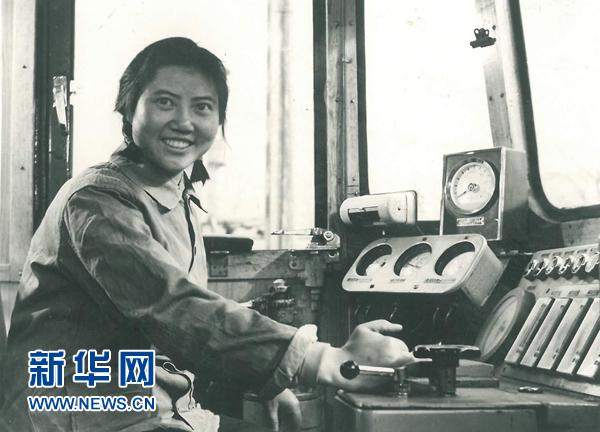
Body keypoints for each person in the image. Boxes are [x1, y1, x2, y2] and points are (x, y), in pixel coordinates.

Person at [0, 37, 414, 432]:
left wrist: (269, 379)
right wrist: (323, 361)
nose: (184, 122)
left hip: (151, 408)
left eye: (202, 107)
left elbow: (177, 329)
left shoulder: (175, 194)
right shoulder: (97, 200)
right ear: (128, 108)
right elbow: (172, 308)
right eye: (164, 102)